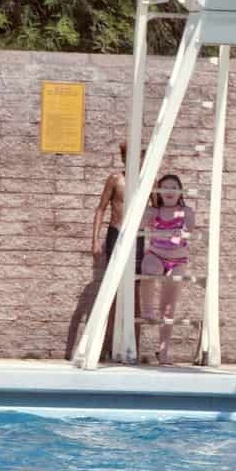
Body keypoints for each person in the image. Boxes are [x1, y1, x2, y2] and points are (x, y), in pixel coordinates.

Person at [91, 141, 144, 356]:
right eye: (128, 156)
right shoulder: (115, 179)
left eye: (137, 156)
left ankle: (134, 349)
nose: (133, 160)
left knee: (135, 292)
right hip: (116, 232)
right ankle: (106, 346)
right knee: (111, 289)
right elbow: (101, 208)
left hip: (137, 237)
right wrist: (95, 240)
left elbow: (160, 207)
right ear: (123, 158)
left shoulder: (147, 180)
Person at [140, 172, 195, 366]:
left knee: (169, 309)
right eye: (165, 187)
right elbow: (136, 223)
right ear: (159, 192)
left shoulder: (186, 211)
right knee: (148, 272)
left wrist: (180, 233)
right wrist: (146, 208)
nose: (169, 191)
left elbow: (187, 231)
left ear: (180, 191)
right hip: (156, 254)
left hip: (177, 260)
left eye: (173, 187)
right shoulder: (154, 212)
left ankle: (163, 352)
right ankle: (147, 309)